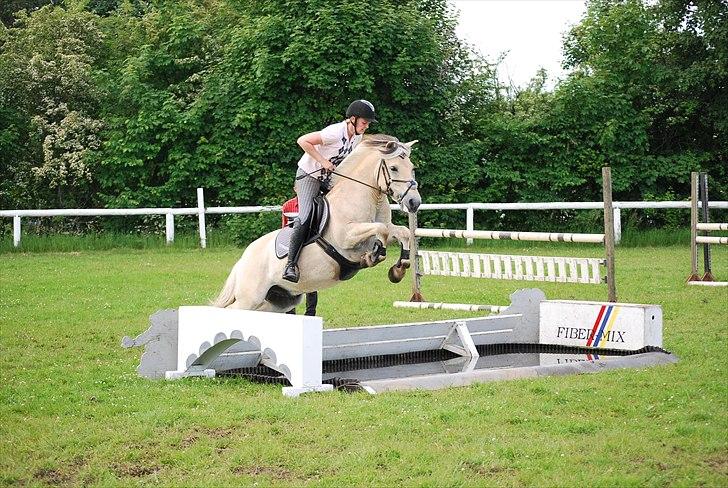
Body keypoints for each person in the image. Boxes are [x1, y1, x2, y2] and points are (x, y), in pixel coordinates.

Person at [282, 99, 377, 283]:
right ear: (353, 119)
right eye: (364, 123)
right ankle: (290, 264)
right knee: (306, 215)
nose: (366, 126)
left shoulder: (356, 137)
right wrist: (322, 161)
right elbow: (303, 140)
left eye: (367, 124)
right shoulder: (334, 132)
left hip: (327, 179)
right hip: (309, 176)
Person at [281, 195, 318, 316]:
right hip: (293, 244)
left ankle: (311, 312)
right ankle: (289, 310)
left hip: (309, 244)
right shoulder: (288, 206)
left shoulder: (314, 204)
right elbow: (284, 228)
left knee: (311, 280)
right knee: (289, 279)